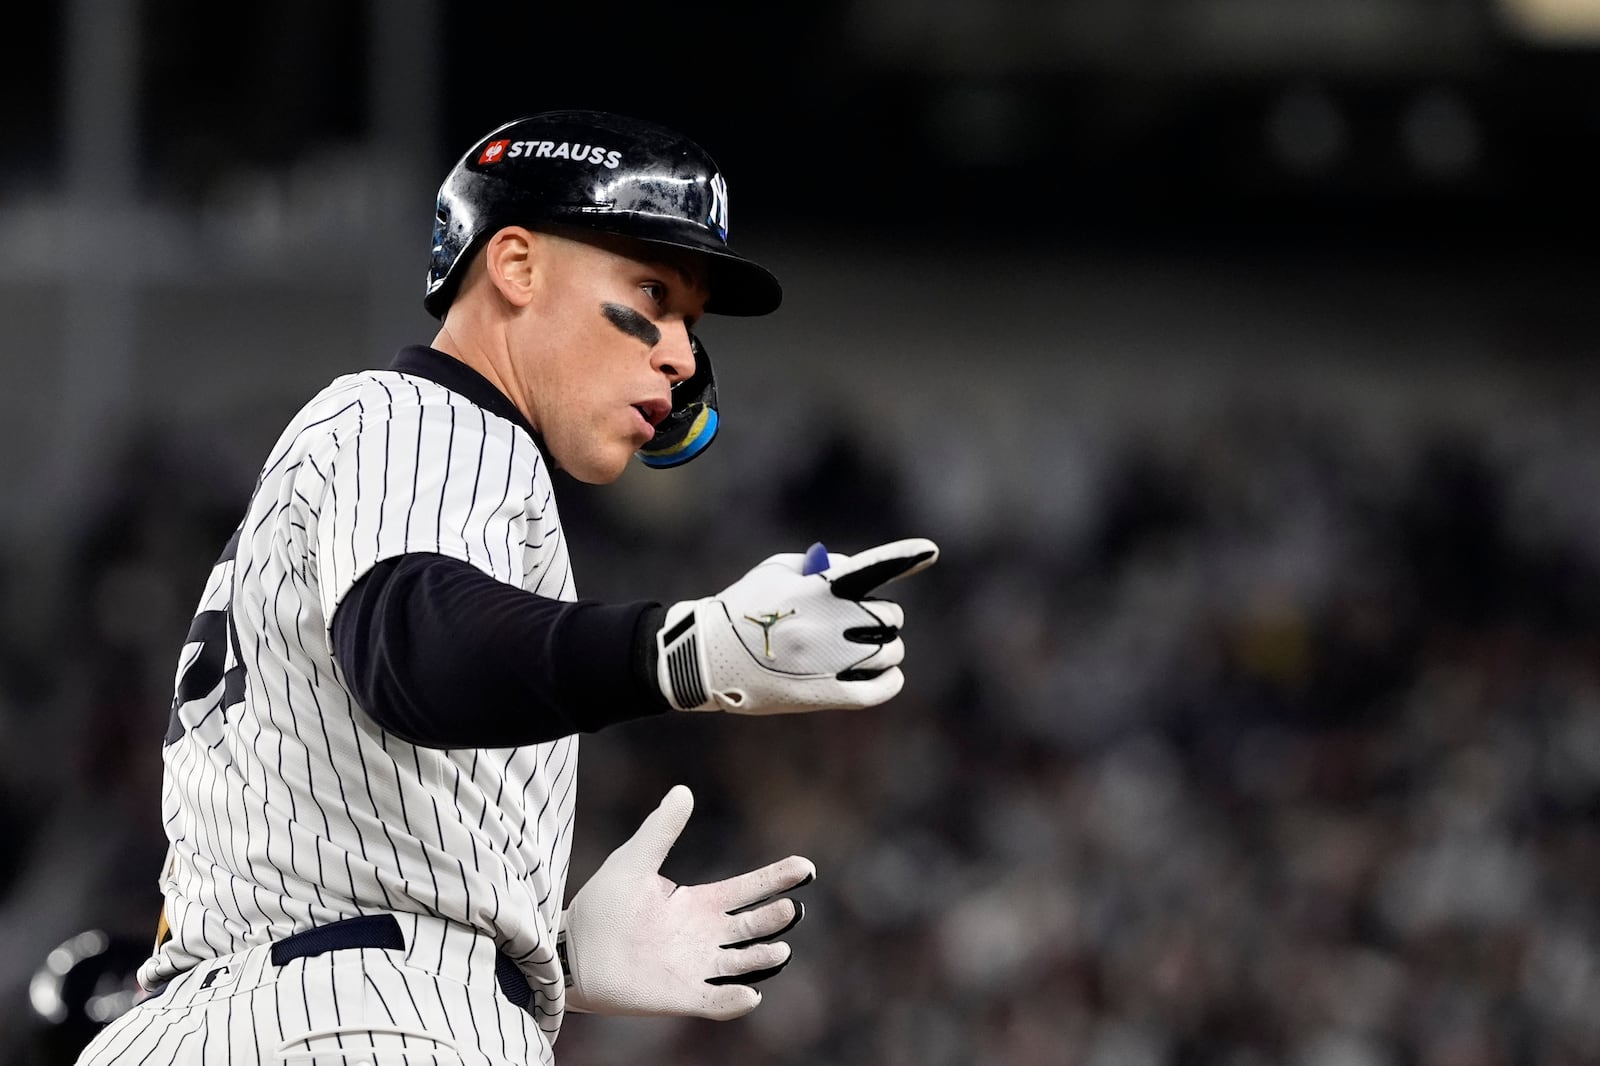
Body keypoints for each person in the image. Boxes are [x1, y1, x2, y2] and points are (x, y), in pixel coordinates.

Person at [73, 109, 938, 1065]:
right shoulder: (424, 415)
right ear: (516, 265)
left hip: (276, 1007)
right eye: (652, 290)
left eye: (690, 321)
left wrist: (545, 957)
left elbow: (335, 805)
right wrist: (682, 650)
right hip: (353, 1021)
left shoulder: (411, 455)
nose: (685, 357)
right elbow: (408, 644)